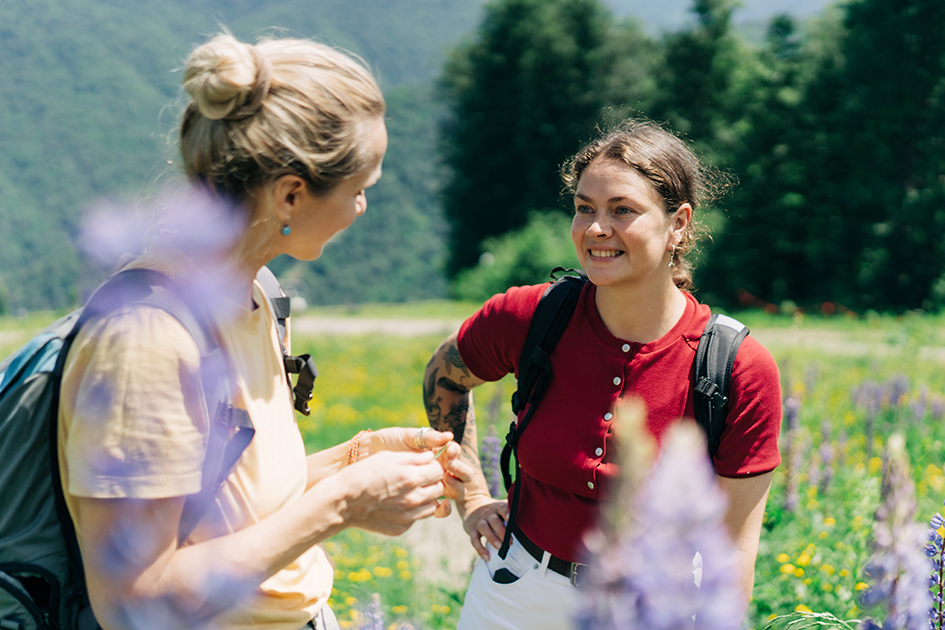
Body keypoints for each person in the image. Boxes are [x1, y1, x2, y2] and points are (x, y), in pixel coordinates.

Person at [58, 34, 471, 630]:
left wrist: (355, 459)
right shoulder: (146, 339)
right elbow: (134, 602)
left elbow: (227, 507)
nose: (361, 209)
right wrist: (345, 502)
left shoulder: (254, 294)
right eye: (358, 190)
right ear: (291, 194)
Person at [423, 119, 782, 629]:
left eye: (622, 211)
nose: (596, 228)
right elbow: (444, 377)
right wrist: (473, 498)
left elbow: (733, 550)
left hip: (651, 606)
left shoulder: (736, 366)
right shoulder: (531, 316)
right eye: (584, 208)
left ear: (678, 224)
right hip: (517, 590)